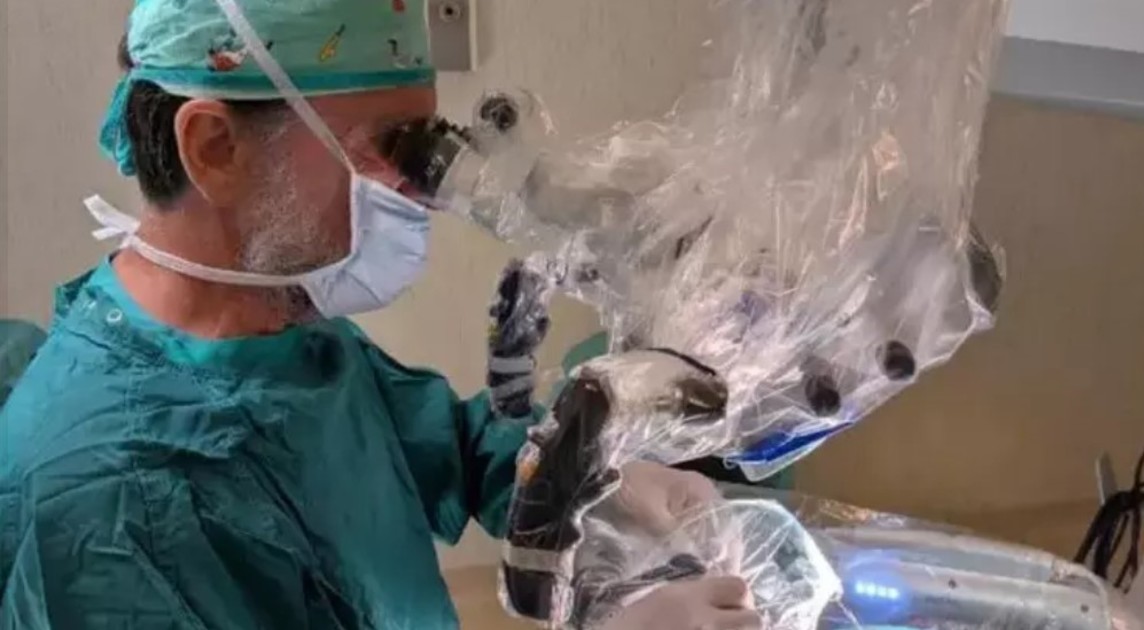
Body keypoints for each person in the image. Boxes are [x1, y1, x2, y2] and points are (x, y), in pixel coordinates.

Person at [0, 1, 760, 629]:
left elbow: (433, 444)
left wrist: (583, 480)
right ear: (215, 147)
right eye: (391, 148)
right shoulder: (112, 507)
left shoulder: (272, 326)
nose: (424, 195)